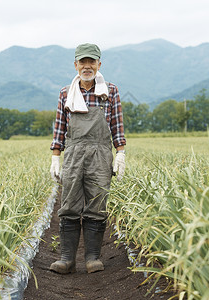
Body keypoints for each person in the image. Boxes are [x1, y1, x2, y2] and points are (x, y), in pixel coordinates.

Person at [49, 43, 126, 274]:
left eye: (91, 62)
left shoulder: (109, 91)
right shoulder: (66, 93)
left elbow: (117, 125)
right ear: (75, 65)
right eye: (82, 62)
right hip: (73, 153)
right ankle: (66, 259)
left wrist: (120, 153)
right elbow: (60, 128)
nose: (87, 66)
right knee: (70, 203)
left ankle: (92, 257)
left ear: (99, 64)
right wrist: (55, 157)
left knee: (97, 203)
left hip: (100, 153)